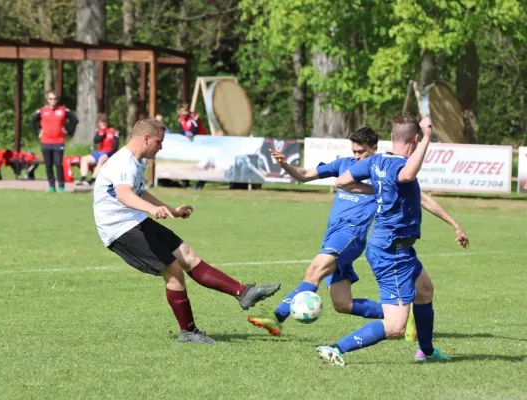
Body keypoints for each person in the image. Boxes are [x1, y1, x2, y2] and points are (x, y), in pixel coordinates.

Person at [92, 117, 281, 344]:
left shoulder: (137, 161)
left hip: (134, 220)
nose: (160, 147)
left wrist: (171, 210)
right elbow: (124, 194)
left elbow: (139, 192)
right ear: (146, 139)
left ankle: (244, 293)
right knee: (173, 270)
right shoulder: (124, 162)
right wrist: (153, 209)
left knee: (187, 255)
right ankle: (188, 331)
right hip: (118, 229)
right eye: (159, 142)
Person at [316, 114, 469, 366]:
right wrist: (429, 137)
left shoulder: (377, 160)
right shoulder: (401, 167)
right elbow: (407, 174)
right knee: (396, 326)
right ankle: (335, 348)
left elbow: (342, 181)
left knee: (425, 291)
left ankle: (427, 352)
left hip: (397, 248)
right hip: (392, 252)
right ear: (415, 138)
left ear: (391, 137)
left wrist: (454, 224)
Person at [247, 127, 382, 336]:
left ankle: (276, 317)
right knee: (343, 304)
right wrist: (285, 165)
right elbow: (305, 175)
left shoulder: (381, 173)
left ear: (374, 149)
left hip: (350, 236)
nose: (356, 156)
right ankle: (398, 314)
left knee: (313, 273)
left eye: (361, 152)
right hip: (333, 236)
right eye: (354, 151)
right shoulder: (344, 164)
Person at [30, 91, 79, 193]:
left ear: (57, 100)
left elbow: (74, 120)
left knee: (58, 163)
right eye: (50, 99)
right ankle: (51, 186)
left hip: (58, 142)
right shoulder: (42, 111)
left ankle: (61, 186)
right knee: (48, 165)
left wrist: (68, 130)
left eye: (54, 99)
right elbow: (32, 122)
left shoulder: (63, 110)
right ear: (47, 99)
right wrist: (37, 132)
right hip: (46, 142)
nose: (53, 101)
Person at [76, 113, 119, 186]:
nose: (103, 123)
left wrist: (109, 154)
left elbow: (115, 146)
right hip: (100, 153)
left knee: (101, 159)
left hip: (110, 153)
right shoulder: (98, 131)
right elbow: (96, 140)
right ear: (98, 123)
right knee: (84, 159)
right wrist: (102, 134)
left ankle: (93, 179)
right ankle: (83, 179)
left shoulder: (113, 131)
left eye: (105, 121)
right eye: (101, 122)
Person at [178, 104, 207, 189]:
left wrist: (190, 133)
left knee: (200, 162)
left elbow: (194, 129)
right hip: (190, 144)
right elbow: (180, 130)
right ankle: (185, 181)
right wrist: (185, 133)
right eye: (182, 111)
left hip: (201, 143)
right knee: (188, 162)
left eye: (185, 111)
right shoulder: (180, 118)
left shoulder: (194, 117)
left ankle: (201, 182)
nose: (183, 113)